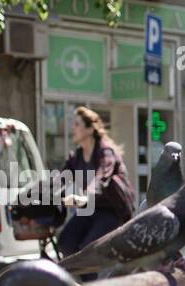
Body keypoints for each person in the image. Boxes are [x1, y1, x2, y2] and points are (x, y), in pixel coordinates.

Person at [55, 106, 135, 257]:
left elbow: (102, 177)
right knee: (66, 243)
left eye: (77, 124)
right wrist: (38, 194)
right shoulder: (76, 157)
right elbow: (60, 178)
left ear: (90, 129)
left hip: (111, 211)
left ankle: (93, 281)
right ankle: (81, 279)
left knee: (88, 248)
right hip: (90, 208)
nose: (72, 128)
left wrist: (85, 196)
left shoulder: (106, 153)